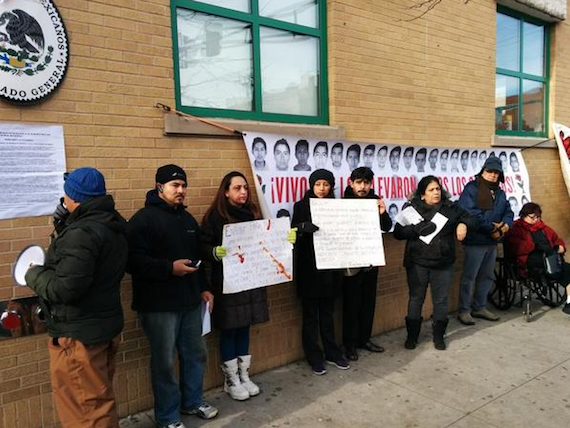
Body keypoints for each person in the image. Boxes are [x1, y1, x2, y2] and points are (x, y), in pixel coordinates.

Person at [25, 167, 127, 428]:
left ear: (75, 198)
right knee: (98, 402)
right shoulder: (112, 222)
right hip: (102, 328)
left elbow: (65, 288)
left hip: (80, 336)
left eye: (66, 195)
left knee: (86, 412)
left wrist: (33, 274)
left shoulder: (81, 233)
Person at [127, 165, 218, 428]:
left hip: (190, 302)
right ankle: (167, 416)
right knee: (164, 363)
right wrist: (169, 268)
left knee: (195, 354)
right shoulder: (143, 220)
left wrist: (204, 288)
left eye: (183, 185)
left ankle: (192, 401)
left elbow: (198, 258)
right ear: (159, 188)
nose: (180, 191)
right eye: (174, 186)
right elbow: (132, 262)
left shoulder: (187, 220)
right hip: (158, 307)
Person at [201, 171, 276, 401]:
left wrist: (283, 241)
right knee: (230, 328)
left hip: (251, 281)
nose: (243, 192)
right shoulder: (215, 217)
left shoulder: (254, 213)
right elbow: (202, 247)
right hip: (228, 283)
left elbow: (266, 242)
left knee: (244, 326)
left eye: (245, 188)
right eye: (237, 188)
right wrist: (214, 252)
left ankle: (244, 375)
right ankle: (231, 380)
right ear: (226, 191)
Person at [394, 176, 474, 350]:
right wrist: (416, 229)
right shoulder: (411, 209)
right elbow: (398, 232)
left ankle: (439, 336)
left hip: (443, 263)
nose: (436, 192)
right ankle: (412, 337)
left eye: (437, 189)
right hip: (418, 262)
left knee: (441, 301)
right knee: (416, 299)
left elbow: (470, 217)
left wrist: (463, 224)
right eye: (431, 190)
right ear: (422, 195)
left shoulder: (450, 208)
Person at [292, 169, 350, 375]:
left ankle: (333, 353)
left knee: (327, 314)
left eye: (326, 184)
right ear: (311, 185)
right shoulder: (300, 206)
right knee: (310, 317)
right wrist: (301, 228)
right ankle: (314, 357)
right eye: (318, 184)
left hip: (330, 269)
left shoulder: (336, 206)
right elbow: (290, 234)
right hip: (309, 269)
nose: (322, 189)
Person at [342, 167, 392, 360]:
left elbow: (387, 227)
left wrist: (382, 212)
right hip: (351, 262)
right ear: (351, 183)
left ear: (371, 184)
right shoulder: (342, 203)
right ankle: (350, 344)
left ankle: (365, 339)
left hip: (371, 261)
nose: (362, 187)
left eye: (366, 183)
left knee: (368, 303)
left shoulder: (375, 200)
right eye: (359, 182)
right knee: (351, 305)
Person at [457, 156, 514, 325]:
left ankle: (480, 307)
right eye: (489, 171)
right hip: (475, 241)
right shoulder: (471, 189)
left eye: (496, 172)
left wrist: (505, 226)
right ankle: (464, 310)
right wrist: (492, 228)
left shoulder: (501, 193)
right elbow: (471, 213)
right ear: (483, 171)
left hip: (492, 242)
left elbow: (508, 212)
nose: (493, 175)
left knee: (487, 276)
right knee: (470, 277)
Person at [504, 202, 570, 314]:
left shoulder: (543, 228)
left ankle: (569, 302)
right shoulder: (516, 228)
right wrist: (534, 245)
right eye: (532, 217)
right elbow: (516, 247)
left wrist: (560, 246)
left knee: (567, 269)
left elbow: (556, 239)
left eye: (538, 217)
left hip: (548, 258)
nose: (536, 220)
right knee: (550, 267)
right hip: (528, 260)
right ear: (524, 215)